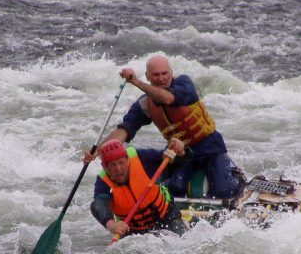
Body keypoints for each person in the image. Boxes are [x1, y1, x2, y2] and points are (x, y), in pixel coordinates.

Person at [86, 55, 244, 200]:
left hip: (210, 147)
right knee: (174, 188)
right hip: (181, 154)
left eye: (164, 73)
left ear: (171, 73)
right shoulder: (144, 104)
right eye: (156, 75)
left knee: (224, 191)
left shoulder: (184, 84)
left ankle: (239, 180)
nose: (161, 78)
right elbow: (124, 131)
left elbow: (168, 98)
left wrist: (135, 82)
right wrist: (98, 150)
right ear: (148, 76)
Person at [91, 137, 190, 240]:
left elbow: (174, 160)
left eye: (121, 163)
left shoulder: (143, 158)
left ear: (127, 159)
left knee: (184, 242)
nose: (118, 169)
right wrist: (112, 225)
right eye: (113, 165)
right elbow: (99, 205)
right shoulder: (103, 181)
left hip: (166, 218)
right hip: (133, 230)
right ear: (104, 166)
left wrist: (181, 152)